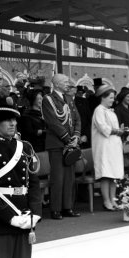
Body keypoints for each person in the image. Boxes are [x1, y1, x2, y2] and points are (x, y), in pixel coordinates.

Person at [0, 97, 42, 258]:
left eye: (14, 120)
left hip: (24, 216)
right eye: (7, 120)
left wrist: (35, 213)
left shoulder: (25, 147)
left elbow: (33, 183)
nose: (13, 124)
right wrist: (10, 217)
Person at [42, 74, 81, 220]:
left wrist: (76, 137)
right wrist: (67, 139)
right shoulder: (49, 99)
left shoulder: (69, 99)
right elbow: (52, 122)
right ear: (57, 84)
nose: (68, 84)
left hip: (70, 143)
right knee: (58, 178)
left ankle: (67, 207)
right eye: (65, 82)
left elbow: (77, 119)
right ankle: (56, 209)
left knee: (69, 178)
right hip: (57, 144)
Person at [92, 85, 126, 211]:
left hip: (113, 147)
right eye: (111, 98)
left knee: (114, 174)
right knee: (106, 174)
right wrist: (117, 131)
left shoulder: (110, 111)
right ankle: (106, 201)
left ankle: (113, 199)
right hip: (105, 147)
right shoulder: (99, 110)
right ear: (103, 97)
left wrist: (121, 130)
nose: (113, 100)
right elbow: (103, 128)